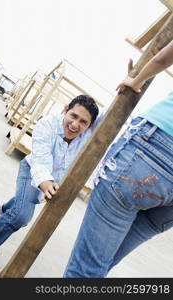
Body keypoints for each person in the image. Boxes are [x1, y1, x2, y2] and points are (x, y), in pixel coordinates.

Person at [63, 40, 173, 278]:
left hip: (155, 149)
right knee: (99, 267)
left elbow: (160, 59)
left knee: (87, 270)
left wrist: (136, 80)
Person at [0, 94, 100, 261]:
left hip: (53, 181)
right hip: (33, 170)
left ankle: (3, 210)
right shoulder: (46, 124)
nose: (75, 125)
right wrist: (46, 183)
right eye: (73, 116)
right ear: (65, 110)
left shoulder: (88, 134)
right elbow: (40, 159)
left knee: (23, 202)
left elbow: (111, 114)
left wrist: (131, 85)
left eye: (83, 122)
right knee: (21, 216)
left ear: (90, 125)